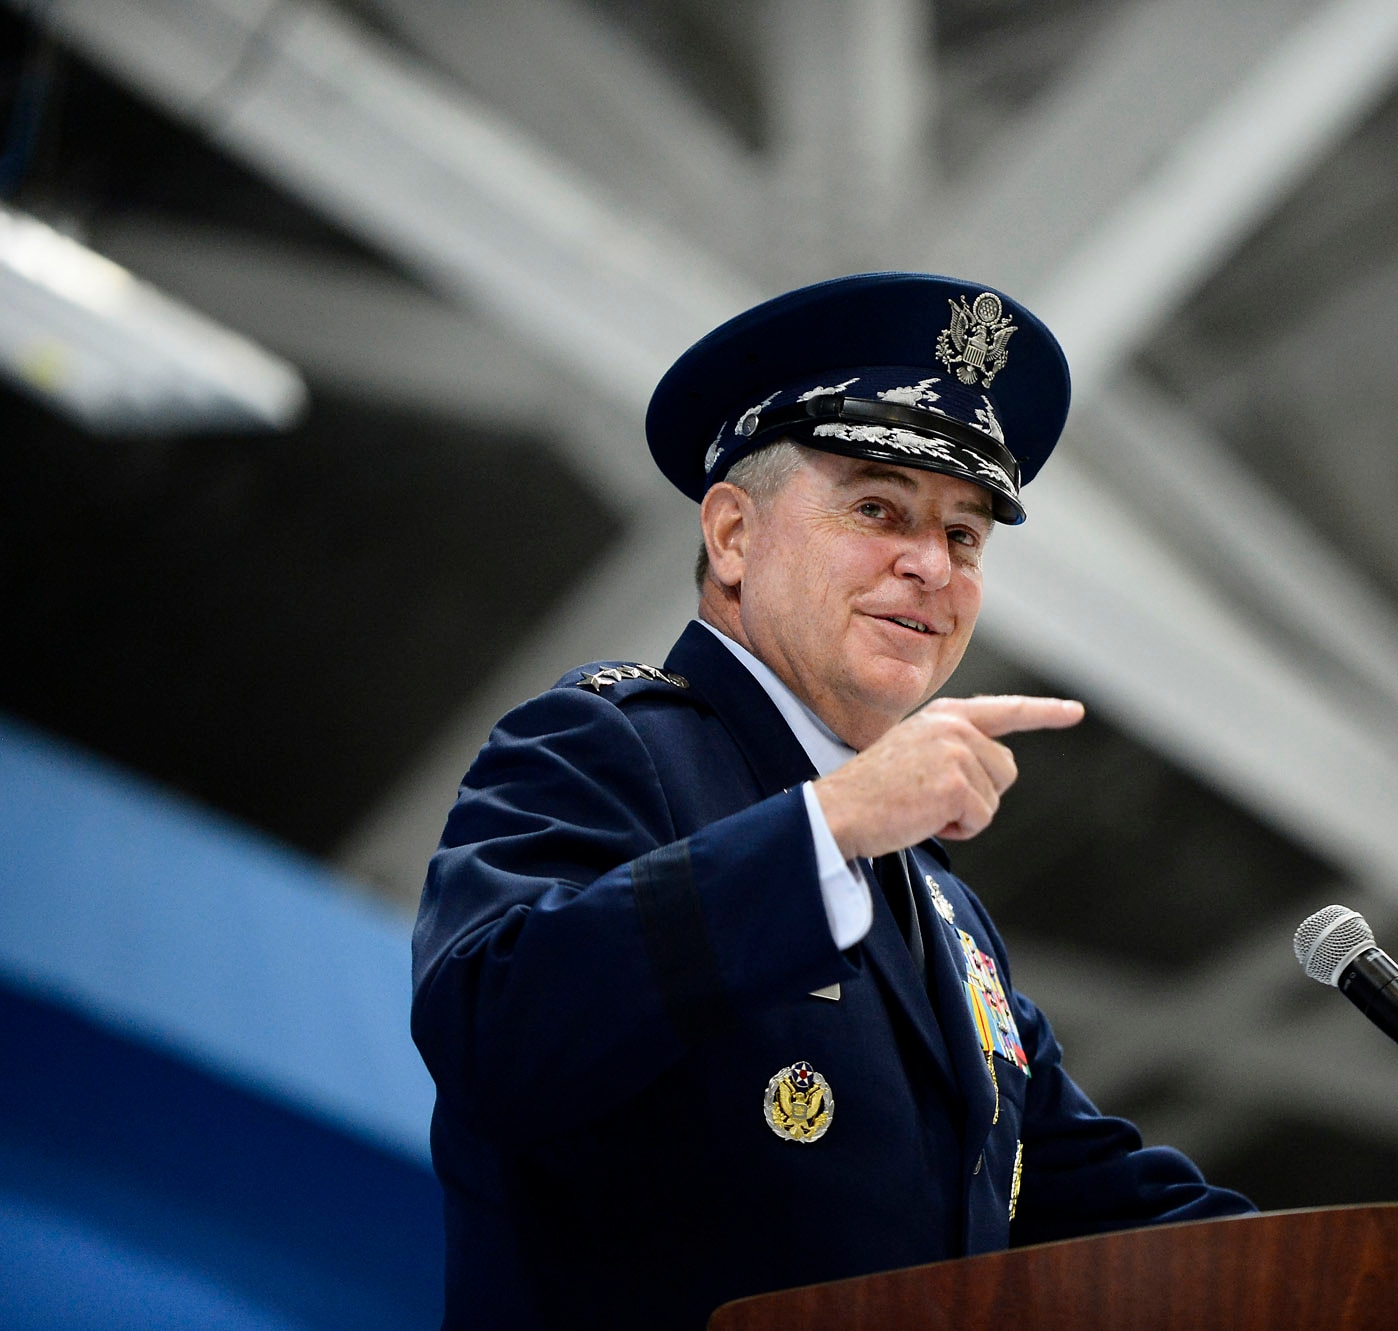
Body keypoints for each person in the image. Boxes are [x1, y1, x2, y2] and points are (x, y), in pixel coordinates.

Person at [411, 273, 1253, 1330]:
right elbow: (493, 1029)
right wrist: (833, 823)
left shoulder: (944, 912)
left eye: (964, 536)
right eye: (875, 507)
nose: (929, 564)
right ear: (731, 535)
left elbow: (1091, 1197)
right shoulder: (602, 743)